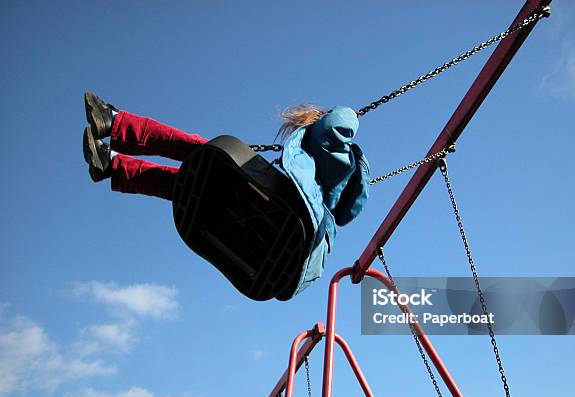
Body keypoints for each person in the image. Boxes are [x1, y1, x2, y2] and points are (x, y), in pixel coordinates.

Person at [82, 92, 370, 296]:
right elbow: (348, 207)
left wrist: (348, 115)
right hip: (285, 263)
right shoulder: (328, 200)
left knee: (207, 154)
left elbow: (335, 126)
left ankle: (116, 124)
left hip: (284, 229)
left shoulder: (336, 161)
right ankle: (112, 163)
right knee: (195, 183)